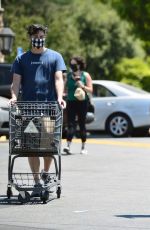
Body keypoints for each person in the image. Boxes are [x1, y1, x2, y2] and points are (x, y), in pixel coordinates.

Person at [10, 24, 67, 196]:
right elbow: (16, 83)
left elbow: (58, 79)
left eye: (41, 36)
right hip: (28, 109)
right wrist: (13, 97)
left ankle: (45, 173)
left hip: (48, 108)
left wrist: (59, 97)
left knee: (47, 146)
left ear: (45, 37)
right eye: (35, 36)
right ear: (30, 38)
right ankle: (36, 182)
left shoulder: (55, 56)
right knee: (30, 147)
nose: (38, 39)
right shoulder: (21, 59)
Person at [63, 56, 93, 155]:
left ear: (79, 65)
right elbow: (64, 89)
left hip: (82, 102)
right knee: (70, 124)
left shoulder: (85, 75)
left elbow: (91, 90)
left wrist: (82, 86)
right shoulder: (68, 76)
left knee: (82, 123)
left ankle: (83, 147)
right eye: (71, 64)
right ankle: (67, 146)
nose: (72, 66)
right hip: (71, 102)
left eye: (74, 64)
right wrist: (63, 94)